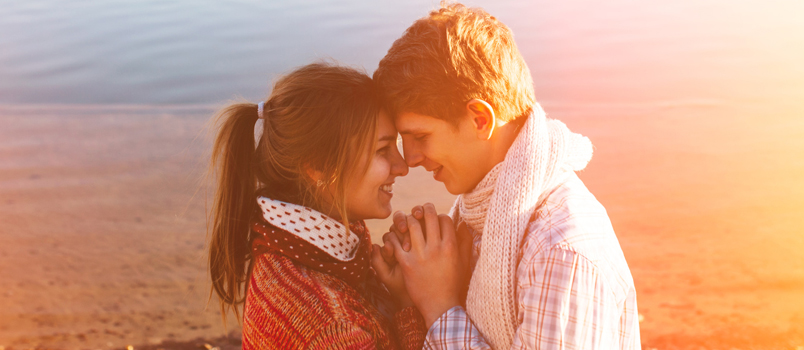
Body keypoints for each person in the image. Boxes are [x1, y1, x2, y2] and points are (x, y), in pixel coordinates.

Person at [371, 3, 641, 349]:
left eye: (420, 137)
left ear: (480, 119)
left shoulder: (560, 251)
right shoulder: (481, 217)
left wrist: (439, 305)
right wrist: (411, 293)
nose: (409, 160)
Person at [207, 62, 428, 349]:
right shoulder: (329, 330)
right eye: (382, 150)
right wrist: (416, 306)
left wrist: (399, 288)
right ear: (320, 167)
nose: (403, 166)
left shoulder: (302, 244)